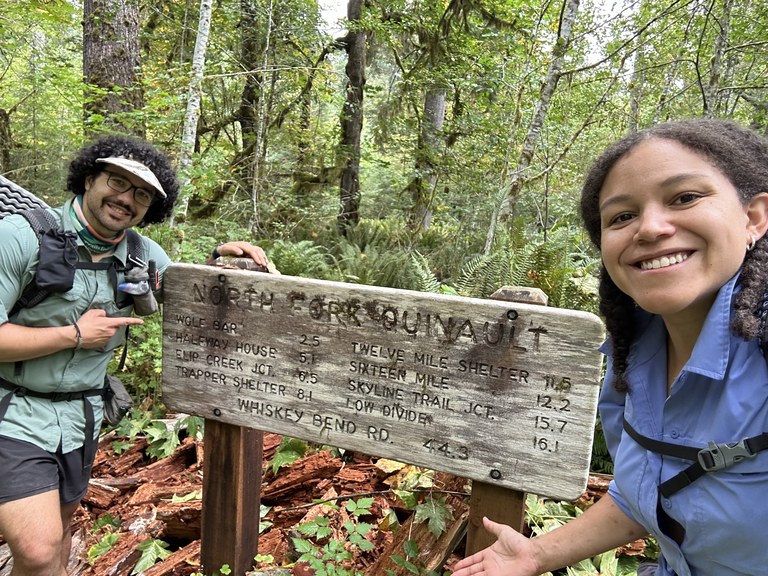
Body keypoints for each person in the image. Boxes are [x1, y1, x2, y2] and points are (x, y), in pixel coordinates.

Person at [452, 118, 768, 576]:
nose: (651, 228)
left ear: (754, 217)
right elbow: (652, 488)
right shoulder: (631, 356)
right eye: (622, 216)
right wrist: (535, 555)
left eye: (685, 197)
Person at [0, 134, 270, 576]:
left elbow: (187, 285)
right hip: (11, 411)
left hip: (81, 418)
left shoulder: (142, 255)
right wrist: (73, 334)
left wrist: (221, 258)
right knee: (37, 547)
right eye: (117, 183)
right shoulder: (21, 236)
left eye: (142, 194)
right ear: (89, 179)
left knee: (60, 536)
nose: (126, 199)